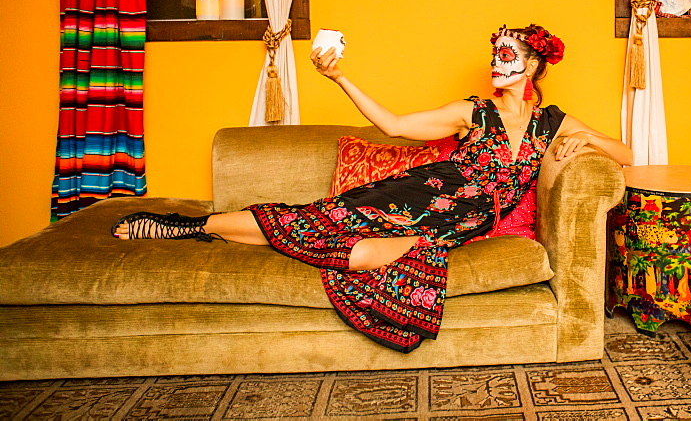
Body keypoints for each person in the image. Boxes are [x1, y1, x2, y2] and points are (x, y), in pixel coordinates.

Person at [112, 24, 633, 352]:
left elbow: (627, 155)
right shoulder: (472, 110)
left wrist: (585, 139)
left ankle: (211, 232)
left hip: (459, 223)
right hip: (419, 194)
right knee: (320, 221)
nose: (496, 61)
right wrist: (340, 78)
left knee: (362, 256)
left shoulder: (553, 122)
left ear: (534, 64)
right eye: (495, 53)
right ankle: (188, 226)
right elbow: (393, 125)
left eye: (507, 54)